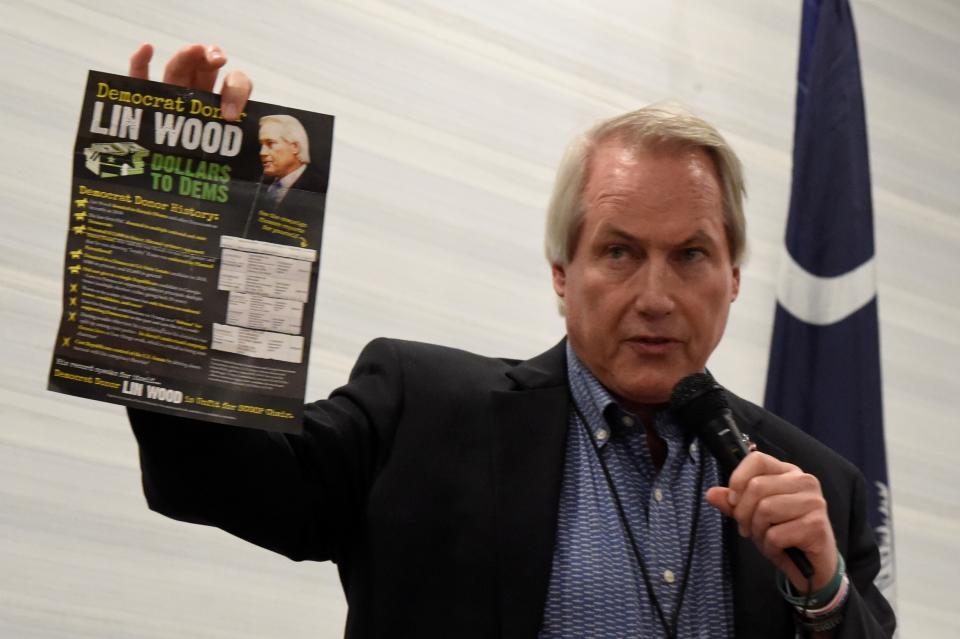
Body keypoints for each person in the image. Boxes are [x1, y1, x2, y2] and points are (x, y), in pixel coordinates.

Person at [126, 44, 895, 638]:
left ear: (732, 276)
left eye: (690, 255)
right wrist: (180, 226)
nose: (656, 296)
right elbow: (211, 473)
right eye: (619, 251)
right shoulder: (418, 411)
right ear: (563, 272)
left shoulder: (822, 489)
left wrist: (825, 592)